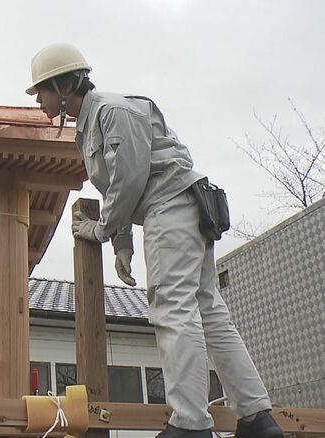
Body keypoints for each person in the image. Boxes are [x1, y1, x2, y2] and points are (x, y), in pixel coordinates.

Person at [26, 43, 282, 438]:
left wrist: (102, 230)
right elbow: (118, 184)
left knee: (172, 308)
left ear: (63, 85)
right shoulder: (93, 121)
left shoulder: (112, 111)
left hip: (172, 206)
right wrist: (123, 245)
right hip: (181, 209)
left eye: (41, 90)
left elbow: (127, 182)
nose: (38, 101)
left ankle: (191, 424)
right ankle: (257, 418)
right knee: (208, 312)